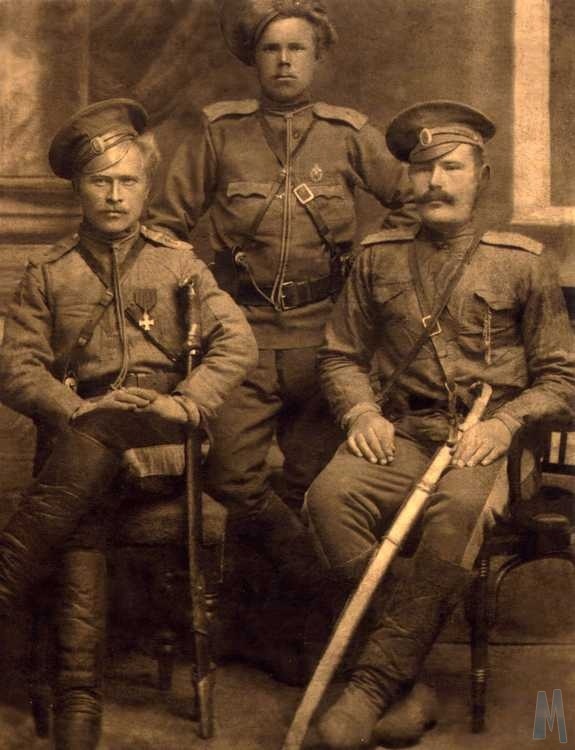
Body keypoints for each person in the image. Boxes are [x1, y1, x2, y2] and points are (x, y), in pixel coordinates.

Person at [304, 100, 575, 749]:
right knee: (327, 499)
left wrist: (505, 425)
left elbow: (561, 379)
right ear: (407, 179)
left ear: (481, 175)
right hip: (400, 433)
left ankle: (370, 687)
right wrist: (361, 411)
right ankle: (410, 684)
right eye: (422, 169)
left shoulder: (521, 262)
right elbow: (339, 355)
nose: (435, 182)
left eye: (451, 167)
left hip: (490, 446)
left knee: (455, 513)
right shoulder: (378, 258)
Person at [0, 98, 257, 749]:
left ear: (146, 186)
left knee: (85, 470)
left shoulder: (179, 264)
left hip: (161, 447)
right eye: (100, 181)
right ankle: (79, 701)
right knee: (85, 487)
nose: (115, 196)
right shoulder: (49, 273)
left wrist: (186, 402)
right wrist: (76, 411)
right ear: (78, 189)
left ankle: (71, 688)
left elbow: (236, 343)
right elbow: (16, 368)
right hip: (82, 446)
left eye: (128, 180)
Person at [148, 0, 417, 602]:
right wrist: (204, 294)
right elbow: (165, 227)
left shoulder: (349, 135)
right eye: (271, 49)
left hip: (329, 339)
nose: (284, 61)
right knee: (229, 475)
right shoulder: (219, 133)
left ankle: (283, 620)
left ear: (317, 59)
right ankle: (313, 588)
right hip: (242, 337)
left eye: (297, 49)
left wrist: (371, 267)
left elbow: (412, 201)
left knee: (316, 479)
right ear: (254, 59)